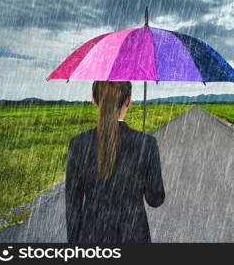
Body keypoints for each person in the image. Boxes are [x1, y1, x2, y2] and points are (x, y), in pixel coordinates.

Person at [65, 81, 165, 243]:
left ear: (93, 99)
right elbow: (155, 199)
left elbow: (73, 206)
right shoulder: (147, 144)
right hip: (135, 236)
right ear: (128, 101)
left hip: (92, 237)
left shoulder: (78, 144)